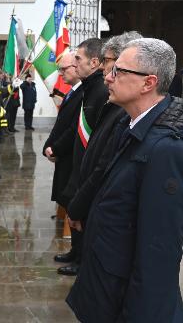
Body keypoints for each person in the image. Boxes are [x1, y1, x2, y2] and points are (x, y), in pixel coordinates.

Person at [67, 38, 183, 322]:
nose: (107, 76)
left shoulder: (169, 151)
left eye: (118, 71)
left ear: (148, 83)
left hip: (124, 298)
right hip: (106, 282)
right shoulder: (129, 122)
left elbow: (159, 251)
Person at [66, 31, 142, 276]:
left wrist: (80, 204)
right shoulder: (117, 107)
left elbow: (104, 165)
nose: (106, 76)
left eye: (111, 65)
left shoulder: (123, 112)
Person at [56, 38, 108, 276]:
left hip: (88, 171)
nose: (74, 63)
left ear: (94, 62)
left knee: (82, 215)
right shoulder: (89, 88)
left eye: (78, 58)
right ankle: (75, 252)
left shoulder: (99, 91)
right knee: (74, 210)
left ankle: (81, 260)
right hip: (78, 167)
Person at [42, 51, 83, 274]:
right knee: (68, 203)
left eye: (64, 69)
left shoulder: (83, 94)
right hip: (65, 158)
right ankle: (74, 252)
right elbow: (61, 124)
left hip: (72, 158)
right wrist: (49, 146)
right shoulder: (71, 92)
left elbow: (73, 129)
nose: (61, 74)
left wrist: (55, 148)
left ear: (77, 68)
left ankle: (79, 257)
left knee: (74, 206)